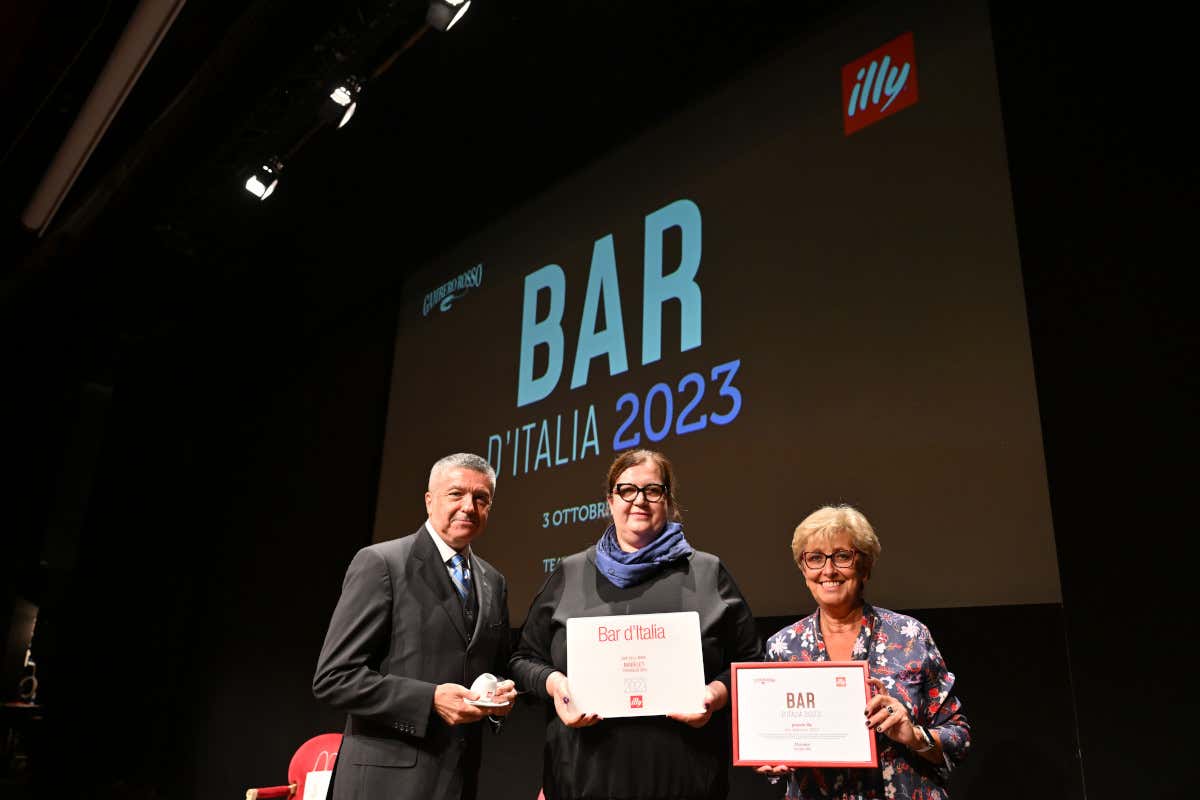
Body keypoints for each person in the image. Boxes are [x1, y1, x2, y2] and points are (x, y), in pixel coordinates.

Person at [509, 448, 762, 800]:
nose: (639, 500)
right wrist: (556, 685)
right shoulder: (570, 572)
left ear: (668, 502)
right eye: (627, 490)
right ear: (610, 501)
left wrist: (714, 696)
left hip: (684, 779)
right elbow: (523, 660)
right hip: (582, 778)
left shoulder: (707, 573)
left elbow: (751, 666)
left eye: (652, 490)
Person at [312, 452, 517, 800]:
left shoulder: (493, 581)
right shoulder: (381, 563)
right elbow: (334, 678)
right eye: (456, 493)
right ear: (429, 500)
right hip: (384, 784)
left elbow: (492, 666)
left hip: (458, 779)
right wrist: (430, 700)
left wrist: (498, 693)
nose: (469, 506)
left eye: (481, 498)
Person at [758, 504, 971, 800]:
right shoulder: (783, 647)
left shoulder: (910, 636)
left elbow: (958, 736)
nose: (828, 570)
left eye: (843, 556)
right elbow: (772, 738)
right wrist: (772, 755)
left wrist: (913, 736)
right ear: (803, 568)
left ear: (865, 566)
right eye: (815, 558)